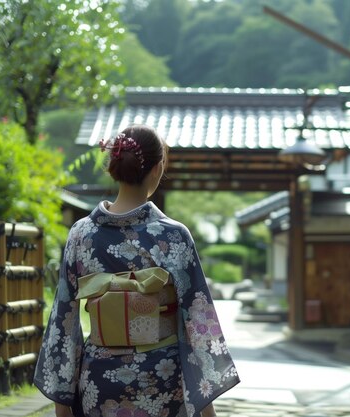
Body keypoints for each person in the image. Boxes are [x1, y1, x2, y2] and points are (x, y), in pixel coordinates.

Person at [34, 125, 239, 417]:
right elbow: (198, 320)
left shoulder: (81, 234)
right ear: (157, 168)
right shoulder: (173, 237)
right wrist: (207, 410)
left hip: (99, 384)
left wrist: (62, 404)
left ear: (114, 166)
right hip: (161, 382)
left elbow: (63, 321)